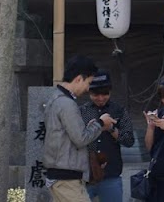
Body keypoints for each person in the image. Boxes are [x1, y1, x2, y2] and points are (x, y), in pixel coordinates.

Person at [43, 55, 115, 202]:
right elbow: (80, 139)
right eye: (88, 82)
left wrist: (90, 128)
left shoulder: (56, 98)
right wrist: (100, 124)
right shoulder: (66, 104)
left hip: (60, 176)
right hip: (66, 178)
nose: (88, 88)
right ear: (78, 79)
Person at [78, 71, 135, 202]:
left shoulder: (119, 110)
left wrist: (111, 129)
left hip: (111, 174)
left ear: (110, 91)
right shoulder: (82, 111)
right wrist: (91, 129)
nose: (100, 98)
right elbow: (76, 139)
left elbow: (129, 140)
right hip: (85, 175)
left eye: (105, 94)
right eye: (95, 94)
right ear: (89, 92)